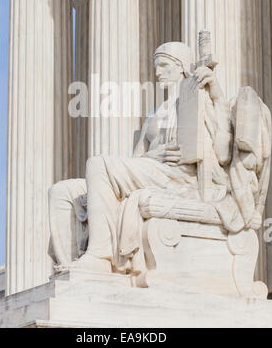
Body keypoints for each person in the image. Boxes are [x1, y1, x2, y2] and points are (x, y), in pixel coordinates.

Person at [48, 41, 234, 274]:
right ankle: (70, 271)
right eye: (156, 66)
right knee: (62, 192)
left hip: (179, 177)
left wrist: (217, 98)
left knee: (97, 164)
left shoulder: (199, 101)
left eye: (165, 66)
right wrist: (152, 155)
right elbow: (135, 161)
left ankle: (100, 255)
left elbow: (224, 152)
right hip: (152, 170)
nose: (157, 72)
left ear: (182, 68)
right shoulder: (154, 114)